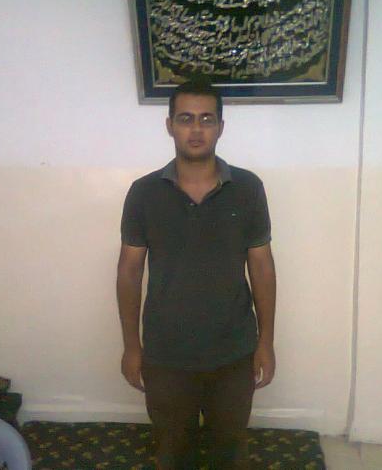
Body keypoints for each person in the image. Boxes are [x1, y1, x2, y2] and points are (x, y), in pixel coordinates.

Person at [117, 78, 276, 469]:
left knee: (230, 452)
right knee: (173, 452)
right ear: (169, 125)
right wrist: (132, 346)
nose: (196, 129)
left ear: (220, 127)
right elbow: (129, 271)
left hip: (233, 350)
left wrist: (266, 341)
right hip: (166, 353)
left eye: (207, 119)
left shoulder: (248, 188)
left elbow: (261, 266)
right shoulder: (144, 193)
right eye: (186, 118)